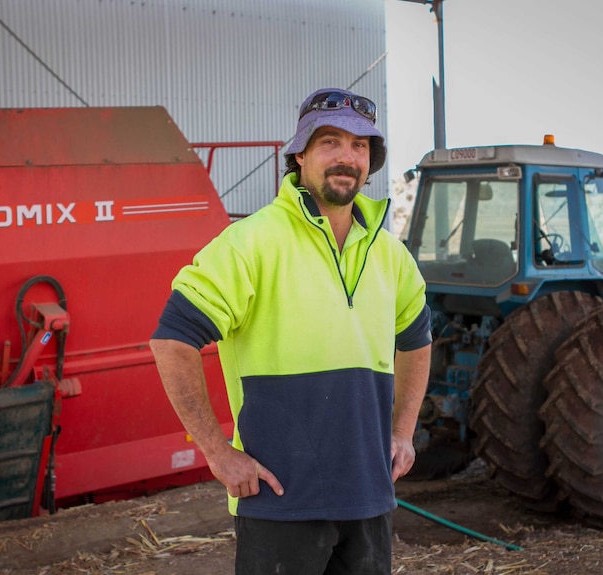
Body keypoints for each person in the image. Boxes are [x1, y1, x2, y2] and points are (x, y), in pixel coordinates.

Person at [149, 87, 432, 574]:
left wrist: (403, 433)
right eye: (330, 142)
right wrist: (218, 454)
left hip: (368, 500)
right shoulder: (251, 244)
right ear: (299, 154)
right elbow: (172, 340)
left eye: (360, 145)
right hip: (278, 502)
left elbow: (416, 341)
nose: (347, 157)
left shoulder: (390, 255)